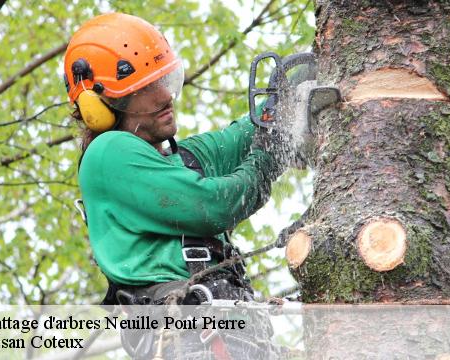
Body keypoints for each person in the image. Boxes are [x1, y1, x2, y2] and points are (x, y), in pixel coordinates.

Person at [63, 13, 288, 307]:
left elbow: (246, 132)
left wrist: (285, 98)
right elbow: (214, 205)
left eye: (165, 80)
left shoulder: (181, 160)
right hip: (185, 332)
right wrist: (265, 160)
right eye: (146, 87)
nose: (166, 95)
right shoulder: (108, 152)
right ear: (102, 105)